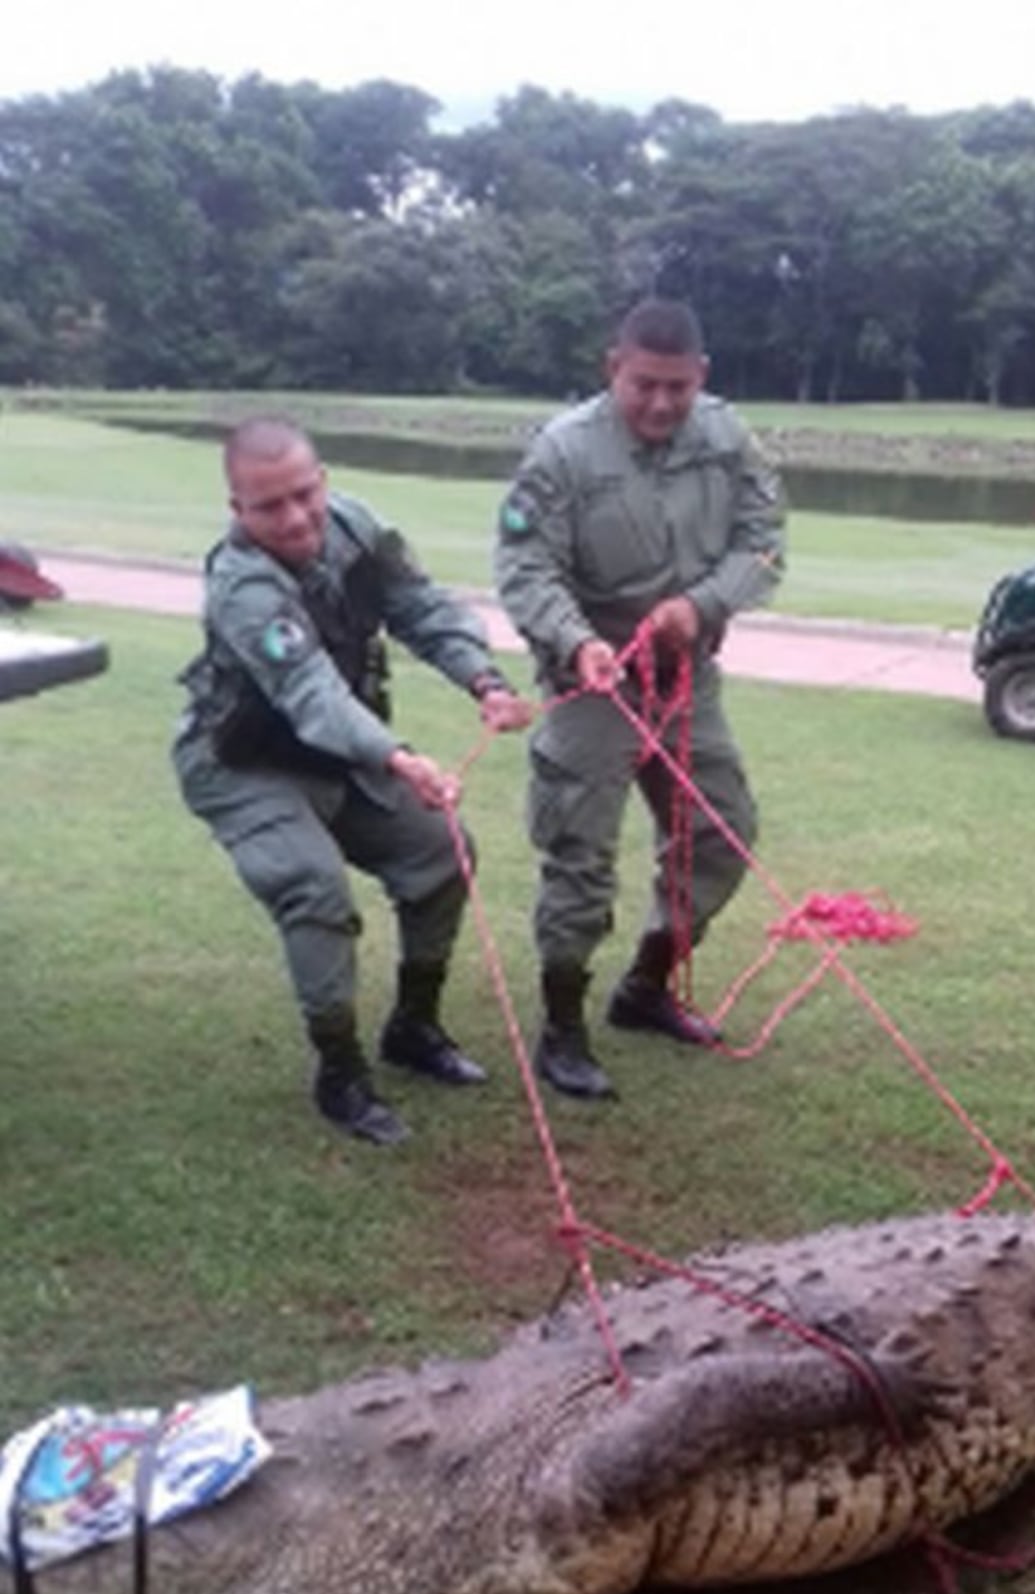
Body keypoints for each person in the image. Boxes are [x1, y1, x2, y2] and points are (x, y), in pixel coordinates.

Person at [173, 417, 533, 1146]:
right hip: (246, 765)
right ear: (237, 509)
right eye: (268, 506)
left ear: (323, 481)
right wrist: (398, 756)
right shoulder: (242, 582)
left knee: (441, 852)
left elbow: (420, 607)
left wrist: (483, 677)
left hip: (338, 758)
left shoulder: (356, 529)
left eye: (303, 494)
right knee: (314, 887)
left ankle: (414, 1028)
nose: (294, 517)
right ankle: (340, 1070)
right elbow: (311, 692)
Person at [494, 298, 786, 1099]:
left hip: (687, 672)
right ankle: (562, 1027)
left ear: (703, 378)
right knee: (580, 855)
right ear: (611, 367)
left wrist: (702, 604)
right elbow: (525, 568)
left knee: (721, 835)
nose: (661, 404)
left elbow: (764, 542)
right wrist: (574, 638)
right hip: (592, 676)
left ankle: (646, 986)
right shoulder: (561, 453)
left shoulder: (727, 437)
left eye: (678, 388)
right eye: (643, 384)